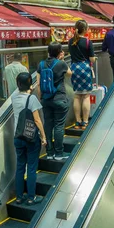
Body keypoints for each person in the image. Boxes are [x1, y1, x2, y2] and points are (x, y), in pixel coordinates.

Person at [12, 72, 47, 205]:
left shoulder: (14, 97)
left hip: (18, 137)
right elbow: (37, 120)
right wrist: (43, 137)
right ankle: (31, 197)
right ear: (30, 84)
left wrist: (27, 87)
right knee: (31, 168)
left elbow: (20, 89)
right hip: (31, 138)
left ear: (18, 84)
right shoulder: (32, 99)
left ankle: (19, 197)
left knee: (20, 167)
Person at [37, 42, 71, 160]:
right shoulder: (61, 64)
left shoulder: (41, 65)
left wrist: (41, 98)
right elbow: (70, 74)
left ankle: (49, 153)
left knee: (48, 124)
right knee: (59, 126)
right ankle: (59, 153)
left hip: (46, 99)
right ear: (59, 52)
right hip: (59, 99)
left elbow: (38, 84)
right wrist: (62, 59)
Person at [68, 20, 96, 129]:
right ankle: (85, 121)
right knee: (86, 96)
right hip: (85, 68)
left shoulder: (70, 41)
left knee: (77, 95)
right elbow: (92, 59)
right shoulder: (88, 42)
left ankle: (77, 121)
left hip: (74, 68)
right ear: (85, 29)